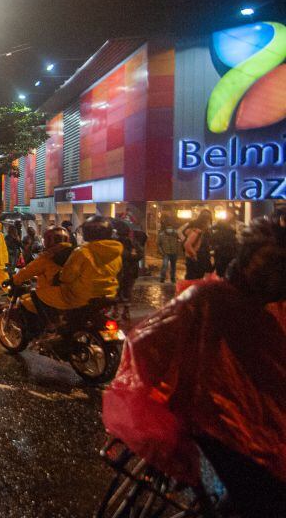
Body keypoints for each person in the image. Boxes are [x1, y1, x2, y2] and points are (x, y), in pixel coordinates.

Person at [102, 217, 286, 516]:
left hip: (245, 424)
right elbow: (147, 345)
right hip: (223, 425)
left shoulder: (260, 308)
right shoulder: (211, 300)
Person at [10, 225, 73, 330]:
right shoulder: (74, 252)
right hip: (73, 292)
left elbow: (27, 271)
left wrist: (14, 280)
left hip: (57, 294)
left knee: (35, 294)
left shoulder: (48, 256)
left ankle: (48, 326)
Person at [57, 215, 122, 311]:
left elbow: (67, 276)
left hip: (83, 298)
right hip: (110, 295)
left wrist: (60, 277)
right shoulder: (116, 252)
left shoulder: (81, 252)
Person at [114, 220, 144, 303]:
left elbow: (139, 254)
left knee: (125, 290)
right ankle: (122, 306)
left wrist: (128, 256)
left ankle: (123, 307)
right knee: (123, 290)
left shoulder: (131, 243)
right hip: (124, 271)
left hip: (128, 271)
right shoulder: (116, 243)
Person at [181, 210, 213, 281]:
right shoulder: (197, 231)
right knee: (194, 278)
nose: (209, 224)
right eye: (208, 221)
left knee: (195, 278)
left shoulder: (201, 231)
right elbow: (187, 244)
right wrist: (194, 255)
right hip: (196, 258)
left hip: (199, 258)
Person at [157, 214, 181, 283]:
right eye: (168, 228)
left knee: (173, 266)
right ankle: (162, 278)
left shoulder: (175, 234)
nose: (169, 229)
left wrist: (177, 250)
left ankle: (172, 278)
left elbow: (180, 241)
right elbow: (159, 244)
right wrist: (161, 252)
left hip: (174, 252)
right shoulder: (162, 235)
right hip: (166, 253)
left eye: (170, 228)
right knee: (164, 265)